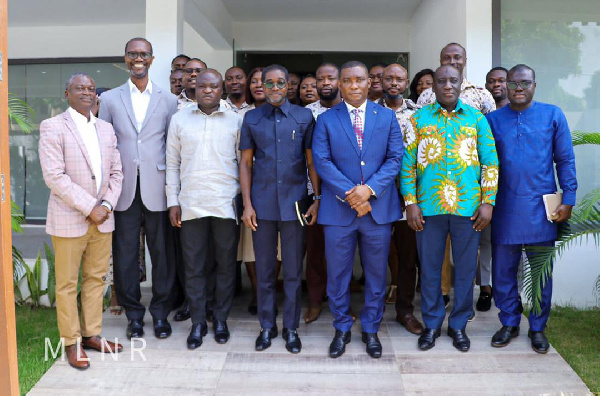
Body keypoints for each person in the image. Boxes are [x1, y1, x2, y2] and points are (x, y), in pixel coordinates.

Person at [401, 65, 499, 352]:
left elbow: (489, 163)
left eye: (452, 81)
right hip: (428, 209)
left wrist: (487, 202)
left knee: (466, 270)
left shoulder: (476, 119)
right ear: (433, 86)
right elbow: (407, 165)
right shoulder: (418, 119)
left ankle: (458, 326)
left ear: (461, 84)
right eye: (441, 81)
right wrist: (411, 203)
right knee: (430, 270)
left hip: (468, 208)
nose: (446, 85)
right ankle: (432, 325)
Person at [312, 61, 403, 359]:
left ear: (369, 84)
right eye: (347, 80)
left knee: (377, 274)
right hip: (339, 212)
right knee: (338, 275)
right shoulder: (326, 120)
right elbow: (322, 162)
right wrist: (353, 195)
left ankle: (371, 329)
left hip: (377, 210)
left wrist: (369, 190)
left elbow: (394, 159)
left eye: (359, 80)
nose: (353, 85)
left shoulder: (387, 118)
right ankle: (341, 327)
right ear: (340, 84)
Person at [486, 64, 577, 354]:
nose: (519, 88)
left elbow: (565, 159)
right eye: (513, 83)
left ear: (535, 85)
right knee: (503, 272)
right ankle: (510, 322)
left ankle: (537, 327)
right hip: (504, 207)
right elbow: (483, 165)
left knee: (540, 273)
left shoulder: (552, 115)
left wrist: (569, 199)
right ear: (505, 87)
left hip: (542, 208)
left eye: (524, 83)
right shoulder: (492, 120)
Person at [39, 73, 123, 369]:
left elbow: (116, 173)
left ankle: (92, 335)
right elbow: (54, 176)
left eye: (91, 89)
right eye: (80, 88)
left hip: (103, 219)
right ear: (67, 93)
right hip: (69, 218)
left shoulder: (106, 129)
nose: (87, 92)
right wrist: (90, 207)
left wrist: (107, 204)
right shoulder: (52, 127)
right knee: (67, 284)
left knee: (96, 280)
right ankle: (71, 342)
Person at [99, 37, 178, 340]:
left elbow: (172, 147)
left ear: (152, 59)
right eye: (133, 54)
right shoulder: (110, 99)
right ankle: (134, 315)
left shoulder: (168, 100)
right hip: (124, 189)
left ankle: (160, 314)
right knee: (126, 254)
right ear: (125, 58)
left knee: (162, 255)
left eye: (143, 54)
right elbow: (106, 146)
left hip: (158, 188)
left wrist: (174, 193)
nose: (138, 58)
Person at [239, 64, 320, 354]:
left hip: (295, 204)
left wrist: (317, 199)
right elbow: (246, 164)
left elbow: (311, 163)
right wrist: (247, 205)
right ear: (261, 85)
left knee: (294, 272)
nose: (274, 88)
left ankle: (291, 328)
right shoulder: (251, 118)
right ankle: (266, 327)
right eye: (268, 83)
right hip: (261, 205)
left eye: (280, 83)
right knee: (264, 271)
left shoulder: (304, 116)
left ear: (289, 86)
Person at [167, 69, 242, 349]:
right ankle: (198, 322)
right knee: (194, 266)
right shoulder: (179, 120)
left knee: (225, 266)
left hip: (225, 203)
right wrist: (172, 201)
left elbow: (242, 163)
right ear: (194, 88)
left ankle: (220, 318)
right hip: (190, 204)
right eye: (202, 86)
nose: (208, 91)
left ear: (221, 89)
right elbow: (172, 163)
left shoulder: (235, 121)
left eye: (213, 86)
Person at [379, 63, 424, 335]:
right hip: (378, 194)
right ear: (381, 81)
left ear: (407, 82)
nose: (394, 82)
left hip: (411, 196)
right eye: (389, 78)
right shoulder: (369, 112)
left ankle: (405, 311)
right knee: (374, 254)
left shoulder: (419, 114)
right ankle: (372, 310)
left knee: (409, 257)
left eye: (399, 79)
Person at [303, 63, 342, 324]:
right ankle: (315, 302)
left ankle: (343, 303)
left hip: (346, 192)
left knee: (343, 252)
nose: (325, 82)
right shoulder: (307, 114)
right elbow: (309, 158)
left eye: (331, 77)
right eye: (320, 78)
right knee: (315, 250)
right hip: (313, 192)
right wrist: (316, 196)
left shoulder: (349, 111)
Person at [418, 43, 496, 115]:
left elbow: (489, 125)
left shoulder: (481, 94)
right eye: (447, 58)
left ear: (465, 61)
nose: (452, 62)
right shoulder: (426, 95)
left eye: (457, 57)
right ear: (441, 62)